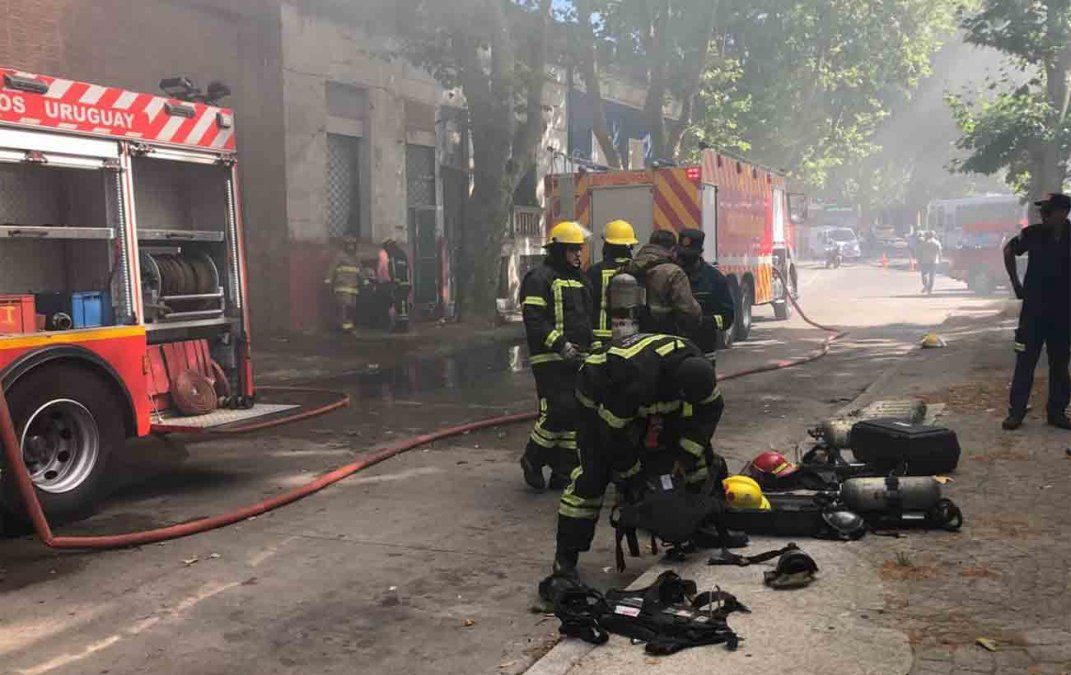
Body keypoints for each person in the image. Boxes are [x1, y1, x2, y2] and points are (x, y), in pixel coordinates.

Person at [539, 331, 726, 600]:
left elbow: (711, 409)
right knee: (593, 476)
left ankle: (700, 526)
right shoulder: (637, 379)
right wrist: (633, 475)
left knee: (697, 459)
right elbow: (612, 434)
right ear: (677, 388)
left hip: (647, 392)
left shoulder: (697, 369)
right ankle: (565, 560)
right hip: (599, 396)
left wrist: (683, 458)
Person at [519, 221, 595, 489]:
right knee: (560, 409)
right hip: (549, 358)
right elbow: (534, 320)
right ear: (558, 250)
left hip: (578, 357)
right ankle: (533, 458)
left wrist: (593, 346)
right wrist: (560, 345)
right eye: (572, 250)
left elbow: (587, 320)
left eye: (580, 250)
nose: (578, 255)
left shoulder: (581, 279)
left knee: (575, 414)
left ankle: (564, 470)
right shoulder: (539, 278)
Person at [1002, 193, 1071, 431]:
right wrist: (1016, 285)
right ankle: (1016, 413)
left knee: (1060, 363)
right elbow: (1009, 251)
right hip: (1034, 311)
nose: (1043, 215)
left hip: (1063, 312)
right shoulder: (1033, 234)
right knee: (1025, 362)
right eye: (1042, 211)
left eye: (1048, 211)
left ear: (1062, 213)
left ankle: (1057, 413)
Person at [626, 229, 701, 339]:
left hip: (631, 338)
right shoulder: (673, 272)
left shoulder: (629, 266)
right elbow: (689, 311)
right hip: (664, 339)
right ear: (672, 249)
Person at [676, 228, 735, 358]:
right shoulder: (671, 275)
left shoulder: (715, 279)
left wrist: (705, 322)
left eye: (689, 256)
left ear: (699, 254)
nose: (684, 261)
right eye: (682, 255)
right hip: (675, 351)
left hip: (704, 349)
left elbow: (728, 317)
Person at [588, 220, 639, 347]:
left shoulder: (595, 271)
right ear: (630, 246)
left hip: (601, 338)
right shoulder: (638, 270)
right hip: (634, 338)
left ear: (607, 245)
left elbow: (586, 305)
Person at [324, 235, 363, 332]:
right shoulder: (340, 256)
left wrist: (365, 279)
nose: (351, 247)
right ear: (345, 245)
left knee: (351, 306)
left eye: (353, 245)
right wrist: (328, 279)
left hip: (353, 286)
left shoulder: (355, 258)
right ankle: (343, 325)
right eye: (349, 245)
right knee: (344, 305)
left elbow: (360, 270)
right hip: (342, 285)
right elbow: (332, 268)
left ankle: (348, 324)